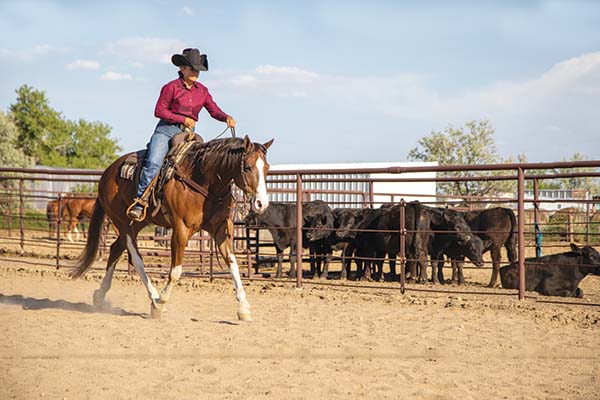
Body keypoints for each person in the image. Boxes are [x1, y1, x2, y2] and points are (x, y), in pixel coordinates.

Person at [127, 48, 236, 221]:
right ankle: (140, 202)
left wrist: (226, 118)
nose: (195, 73)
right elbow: (159, 111)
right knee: (154, 162)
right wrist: (182, 119)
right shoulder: (171, 88)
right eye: (192, 69)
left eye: (198, 70)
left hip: (188, 134)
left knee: (203, 163)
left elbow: (213, 110)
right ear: (183, 69)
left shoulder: (203, 91)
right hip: (166, 130)